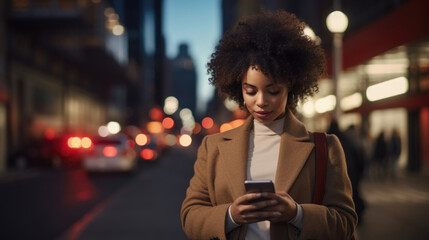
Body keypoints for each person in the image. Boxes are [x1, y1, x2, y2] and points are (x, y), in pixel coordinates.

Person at [181, 10, 357, 240]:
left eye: (273, 91)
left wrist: (297, 213)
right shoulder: (212, 147)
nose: (261, 102)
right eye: (250, 91)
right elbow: (190, 216)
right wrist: (231, 215)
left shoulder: (326, 147)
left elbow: (345, 222)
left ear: (291, 87)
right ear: (238, 88)